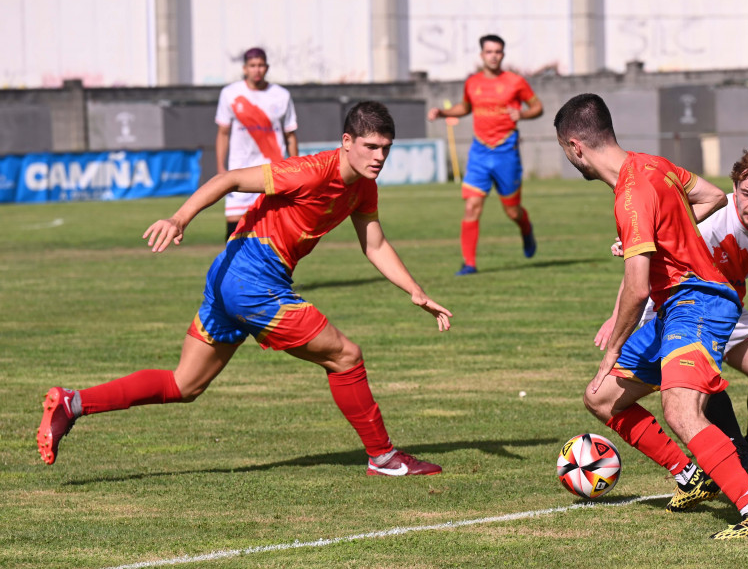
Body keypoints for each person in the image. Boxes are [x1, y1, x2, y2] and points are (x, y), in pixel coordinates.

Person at [37, 102, 450, 477]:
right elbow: (229, 178)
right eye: (371, 146)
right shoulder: (309, 170)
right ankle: (383, 457)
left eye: (386, 149)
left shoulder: (363, 188)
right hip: (252, 283)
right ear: (347, 142)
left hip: (228, 277)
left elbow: (374, 244)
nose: (379, 157)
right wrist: (180, 219)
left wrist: (415, 290)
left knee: (185, 385)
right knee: (346, 357)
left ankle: (72, 403)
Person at [554, 93, 748, 539]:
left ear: (575, 146)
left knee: (680, 409)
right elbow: (714, 195)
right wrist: (666, 240)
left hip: (699, 301)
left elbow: (637, 287)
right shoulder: (652, 165)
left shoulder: (630, 196)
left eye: (566, 152)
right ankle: (690, 476)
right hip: (675, 306)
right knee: (601, 397)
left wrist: (614, 347)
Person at [596, 143, 748, 464]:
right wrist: (616, 315)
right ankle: (735, 450)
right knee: (702, 381)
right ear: (734, 188)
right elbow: (642, 261)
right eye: (747, 193)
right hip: (678, 308)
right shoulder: (708, 217)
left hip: (725, 307)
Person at [427, 34, 543, 276]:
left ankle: (525, 227)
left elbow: (537, 107)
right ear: (481, 55)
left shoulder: (515, 82)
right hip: (479, 152)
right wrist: (442, 113)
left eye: (498, 51)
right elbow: (465, 108)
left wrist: (522, 115)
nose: (493, 56)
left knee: (512, 211)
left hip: (505, 152)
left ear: (503, 54)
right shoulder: (472, 83)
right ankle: (469, 263)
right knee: (472, 207)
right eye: (489, 51)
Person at [216, 47, 299, 240]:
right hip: (239, 170)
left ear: (267, 67)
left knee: (273, 232)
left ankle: (271, 270)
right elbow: (222, 133)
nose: (257, 70)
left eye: (261, 65)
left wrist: (296, 169)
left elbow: (290, 136)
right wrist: (221, 167)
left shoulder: (281, 95)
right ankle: (234, 270)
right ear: (245, 68)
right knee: (234, 232)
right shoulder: (230, 94)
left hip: (273, 171)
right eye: (253, 65)